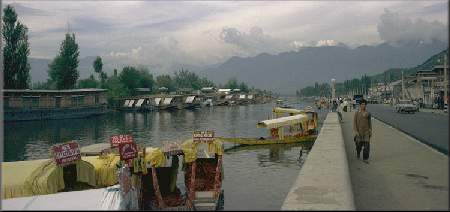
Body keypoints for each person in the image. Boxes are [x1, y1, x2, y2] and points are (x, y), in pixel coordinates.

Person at [353, 99, 372, 163]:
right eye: (362, 104)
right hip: (359, 132)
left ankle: (365, 158)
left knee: (367, 146)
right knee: (359, 145)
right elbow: (354, 123)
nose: (363, 106)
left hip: (366, 132)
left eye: (364, 104)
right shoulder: (357, 113)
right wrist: (356, 131)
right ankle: (358, 153)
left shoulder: (368, 113)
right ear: (360, 105)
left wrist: (370, 130)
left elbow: (370, 123)